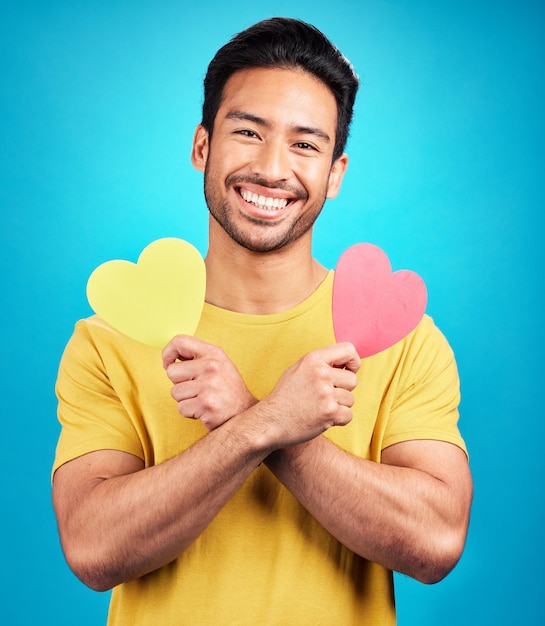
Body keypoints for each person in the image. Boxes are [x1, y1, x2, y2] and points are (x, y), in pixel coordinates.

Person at [52, 17, 472, 626]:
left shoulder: (403, 338)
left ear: (336, 174)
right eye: (248, 132)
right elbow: (92, 550)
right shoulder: (108, 339)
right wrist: (263, 425)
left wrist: (258, 420)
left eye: (305, 144)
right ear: (202, 147)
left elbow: (435, 544)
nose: (273, 169)